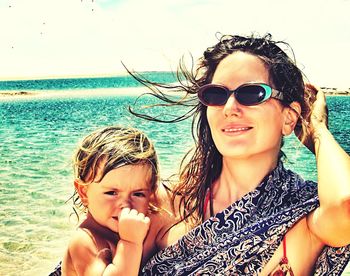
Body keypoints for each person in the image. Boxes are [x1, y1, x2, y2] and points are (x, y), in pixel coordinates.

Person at [127, 34, 350, 275]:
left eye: (252, 93)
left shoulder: (302, 216)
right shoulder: (167, 204)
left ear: (289, 117)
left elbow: (345, 205)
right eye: (217, 95)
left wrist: (317, 131)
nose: (230, 108)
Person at [60, 126, 174, 276]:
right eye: (111, 193)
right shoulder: (84, 242)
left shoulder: (138, 227)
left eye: (138, 194)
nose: (125, 205)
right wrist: (130, 243)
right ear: (83, 192)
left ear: (151, 194)